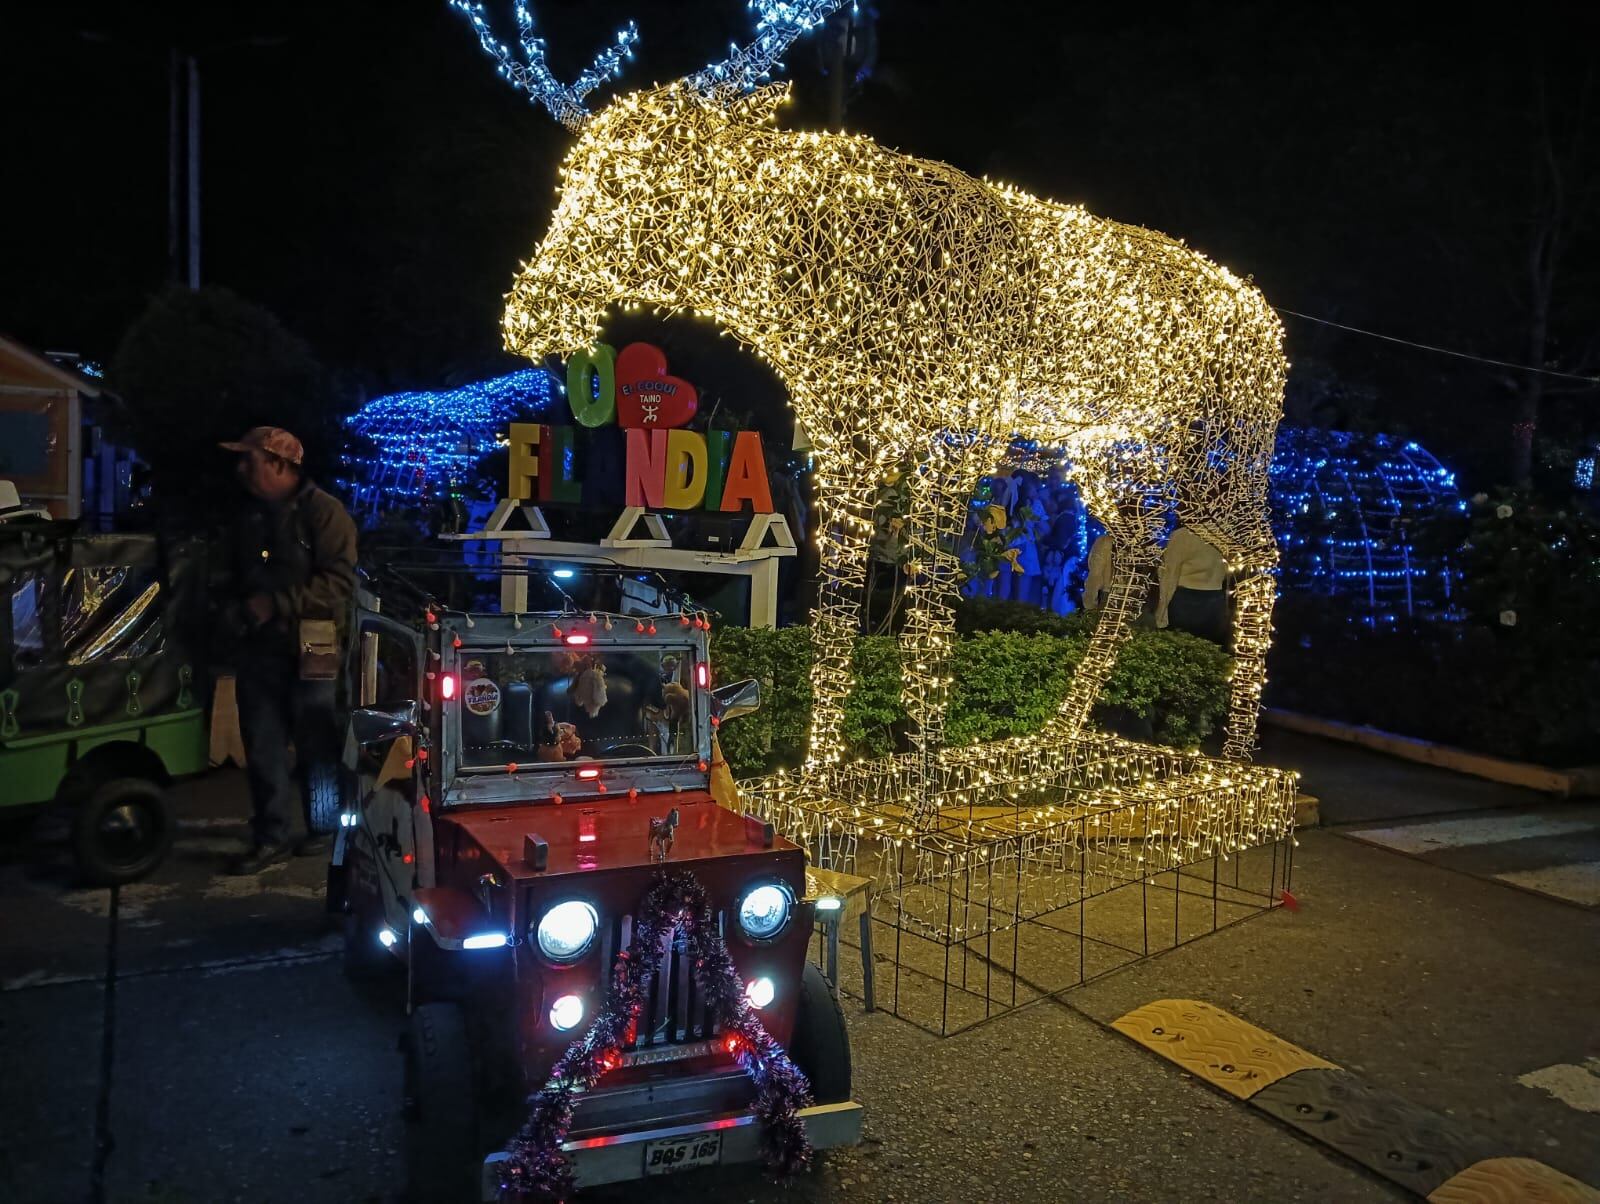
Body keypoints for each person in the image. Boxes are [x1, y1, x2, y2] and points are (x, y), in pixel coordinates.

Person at [221, 427, 358, 874]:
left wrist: (274, 604)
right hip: (260, 648)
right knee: (262, 743)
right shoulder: (251, 514)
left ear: (279, 465)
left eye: (251, 460)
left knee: (317, 744)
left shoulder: (325, 513)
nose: (242, 469)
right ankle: (271, 836)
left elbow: (338, 585)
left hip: (312, 649)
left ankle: (321, 831)